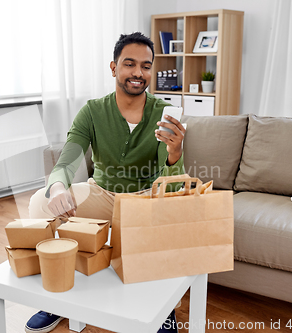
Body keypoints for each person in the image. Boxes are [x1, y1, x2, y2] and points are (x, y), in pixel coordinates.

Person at [25, 32, 185, 333]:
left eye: (146, 66)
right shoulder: (92, 111)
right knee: (38, 201)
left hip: (145, 196)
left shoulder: (162, 112)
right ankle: (54, 297)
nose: (139, 72)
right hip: (101, 193)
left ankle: (165, 309)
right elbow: (67, 161)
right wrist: (58, 187)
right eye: (130, 64)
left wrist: (175, 153)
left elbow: (173, 186)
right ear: (114, 68)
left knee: (173, 218)